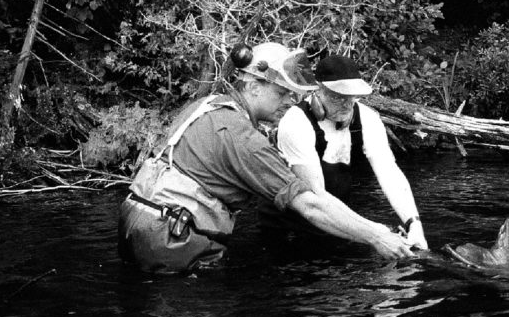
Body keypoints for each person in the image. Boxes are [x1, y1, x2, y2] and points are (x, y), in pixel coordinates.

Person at [118, 42, 416, 274]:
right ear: (253, 85)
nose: (291, 102)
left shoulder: (206, 106)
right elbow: (311, 205)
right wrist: (377, 236)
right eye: (282, 93)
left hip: (136, 226)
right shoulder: (243, 138)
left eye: (294, 95)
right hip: (170, 242)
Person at [262, 54, 428, 250]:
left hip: (335, 224)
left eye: (352, 97)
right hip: (288, 229)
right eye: (338, 97)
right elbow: (316, 197)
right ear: (318, 90)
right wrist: (376, 233)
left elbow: (389, 172)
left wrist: (414, 223)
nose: (347, 104)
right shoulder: (295, 122)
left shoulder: (368, 119)